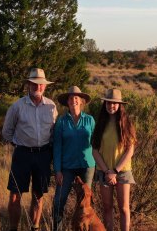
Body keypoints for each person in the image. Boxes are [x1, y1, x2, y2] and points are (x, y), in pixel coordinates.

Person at [2, 68, 58, 231]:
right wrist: (20, 145)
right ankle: (13, 228)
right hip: (23, 155)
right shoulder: (17, 106)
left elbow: (53, 132)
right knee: (15, 194)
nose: (37, 87)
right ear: (28, 84)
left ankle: (35, 227)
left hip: (43, 155)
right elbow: (7, 132)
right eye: (34, 83)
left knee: (38, 194)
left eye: (41, 84)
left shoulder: (51, 106)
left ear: (45, 86)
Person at [92, 88, 137, 231]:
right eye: (108, 103)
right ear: (105, 104)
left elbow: (130, 150)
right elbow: (94, 150)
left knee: (124, 208)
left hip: (122, 171)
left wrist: (115, 171)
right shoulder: (100, 124)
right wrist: (107, 171)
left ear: (119, 105)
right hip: (104, 172)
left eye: (114, 103)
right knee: (107, 208)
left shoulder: (126, 123)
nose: (111, 106)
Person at [52, 86, 96, 231]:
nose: (73, 100)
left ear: (82, 101)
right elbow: (57, 146)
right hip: (67, 167)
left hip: (87, 165)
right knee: (59, 201)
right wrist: (57, 170)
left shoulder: (90, 120)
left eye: (76, 97)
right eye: (71, 98)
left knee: (86, 203)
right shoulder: (62, 121)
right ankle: (57, 228)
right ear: (67, 102)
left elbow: (96, 144)